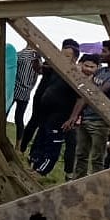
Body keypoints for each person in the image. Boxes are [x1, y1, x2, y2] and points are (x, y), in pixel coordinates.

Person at [65, 41, 110, 179]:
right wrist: (74, 115)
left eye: (105, 51)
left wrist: (88, 94)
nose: (101, 54)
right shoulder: (100, 71)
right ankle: (77, 181)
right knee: (81, 154)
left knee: (97, 158)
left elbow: (97, 93)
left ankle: (97, 184)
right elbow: (86, 93)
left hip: (101, 121)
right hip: (87, 117)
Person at [27, 43, 84, 176]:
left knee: (52, 143)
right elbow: (39, 69)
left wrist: (73, 117)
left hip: (60, 115)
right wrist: (36, 56)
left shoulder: (74, 75)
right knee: (41, 138)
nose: (63, 57)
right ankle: (35, 166)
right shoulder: (56, 68)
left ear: (74, 58)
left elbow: (81, 98)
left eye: (67, 56)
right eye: (61, 54)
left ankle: (42, 171)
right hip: (46, 113)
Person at [12, 42, 42, 145]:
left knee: (5, 113)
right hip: (26, 92)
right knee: (19, 118)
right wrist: (30, 87)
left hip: (13, 89)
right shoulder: (38, 58)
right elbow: (37, 75)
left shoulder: (19, 55)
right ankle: (18, 144)